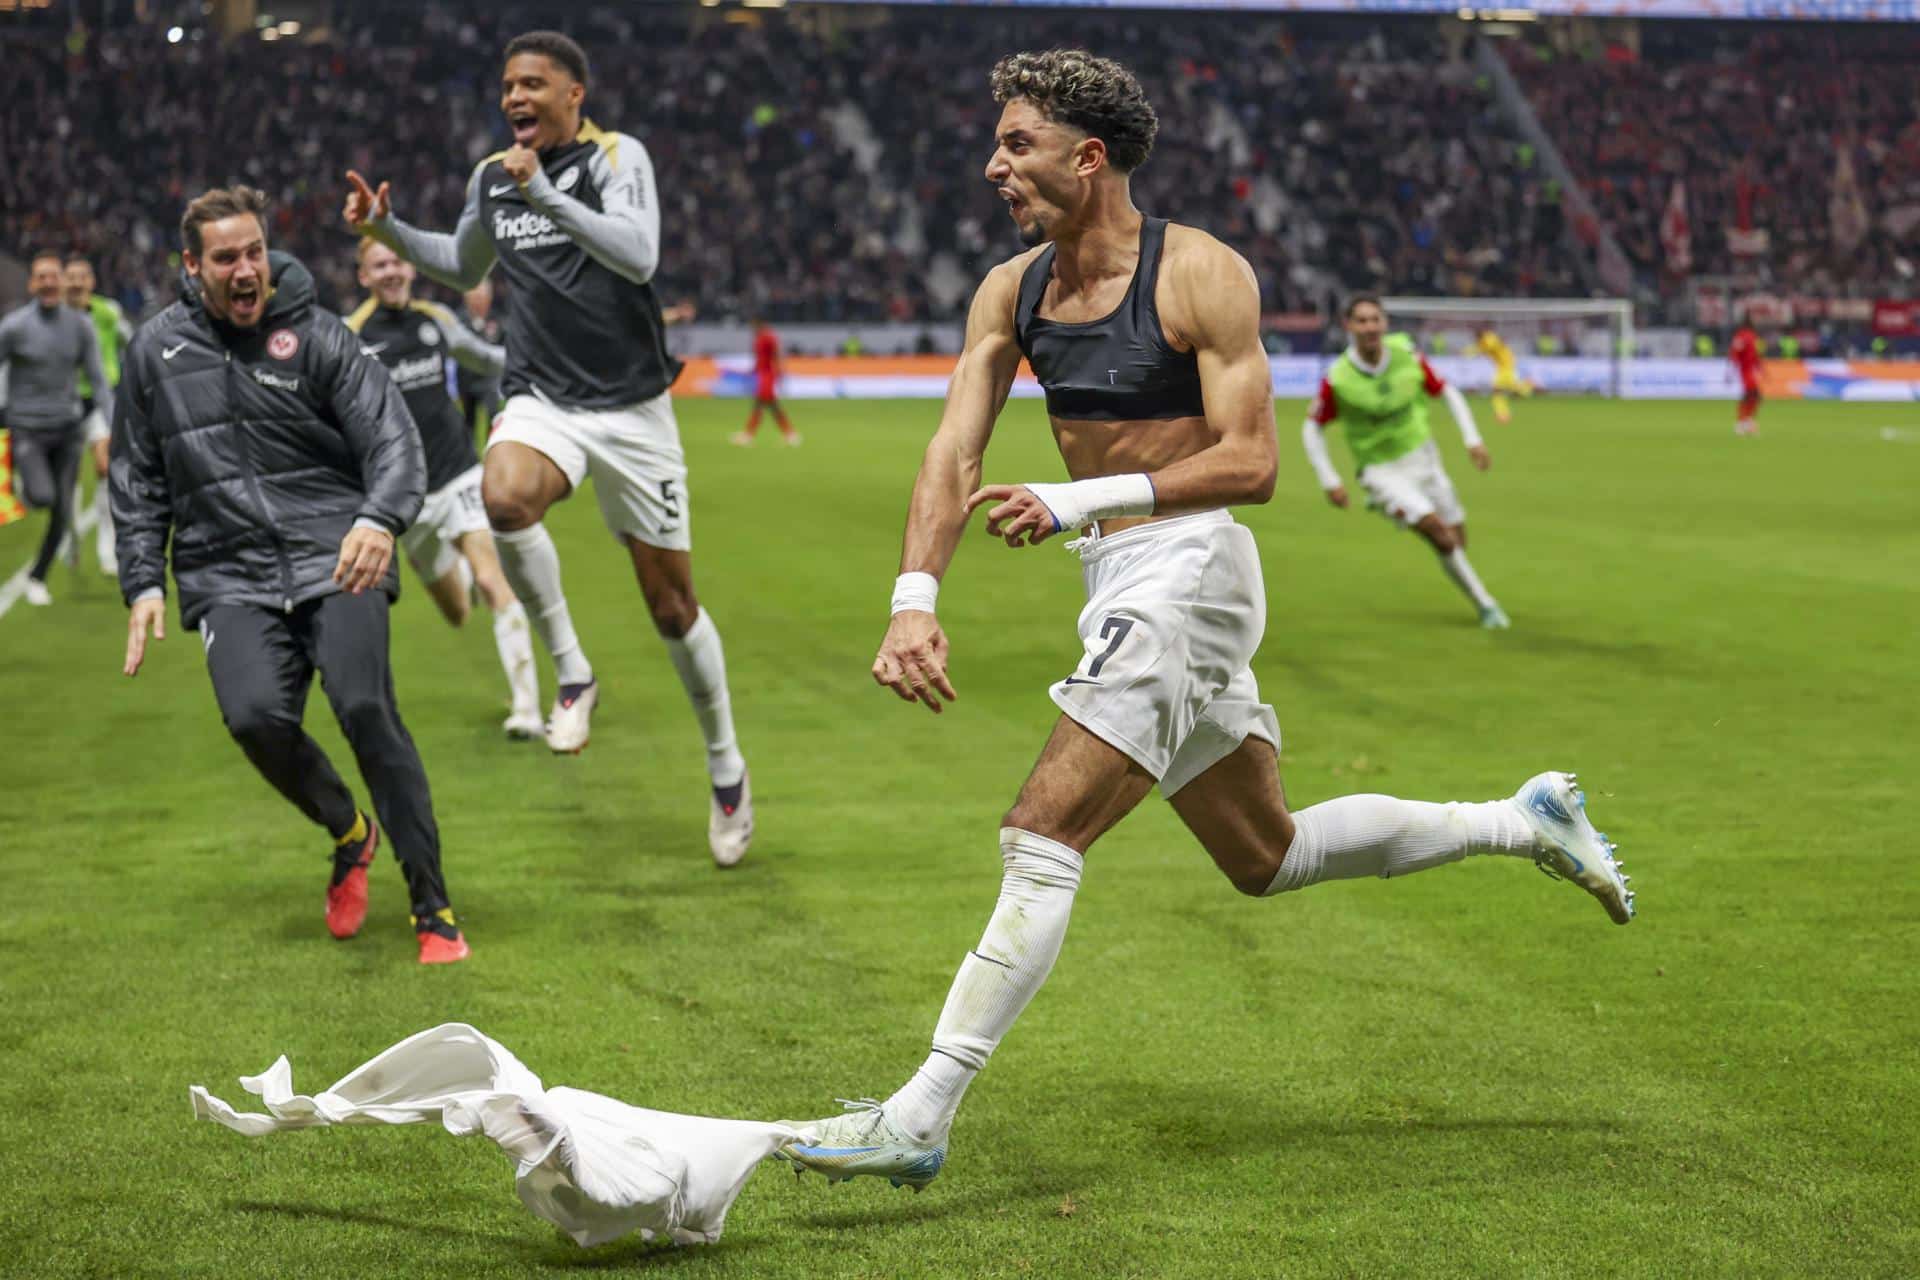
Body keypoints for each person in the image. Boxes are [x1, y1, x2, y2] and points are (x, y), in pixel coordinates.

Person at [776, 50, 1632, 1192]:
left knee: (1043, 831)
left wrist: (1077, 496)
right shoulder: (1009, 289)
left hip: (1191, 567)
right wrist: (914, 599)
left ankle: (920, 1111)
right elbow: (953, 451)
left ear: (1090, 157)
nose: (994, 165)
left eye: (1016, 144)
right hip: (1118, 572)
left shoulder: (1201, 274)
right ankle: (1524, 821)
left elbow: (1254, 461)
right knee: (1265, 853)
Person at [346, 29, 753, 867]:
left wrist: (551, 200)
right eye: (506, 87)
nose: (514, 99)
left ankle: (725, 767)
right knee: (502, 499)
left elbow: (640, 258)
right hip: (542, 398)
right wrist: (388, 227)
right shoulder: (493, 177)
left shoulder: (615, 158)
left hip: (635, 410)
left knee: (672, 608)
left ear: (575, 93)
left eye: (532, 84)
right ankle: (573, 674)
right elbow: (461, 267)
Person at [113, 186, 468, 964]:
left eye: (254, 252)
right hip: (226, 571)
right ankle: (349, 832)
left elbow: (393, 440)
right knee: (251, 720)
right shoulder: (154, 353)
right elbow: (137, 476)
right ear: (191, 266)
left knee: (365, 705)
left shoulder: (321, 336)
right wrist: (142, 582)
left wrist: (379, 518)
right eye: (226, 258)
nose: (247, 270)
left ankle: (432, 904)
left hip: (337, 552)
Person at [345, 238, 542, 739]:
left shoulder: (436, 320)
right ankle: (461, 569)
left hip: (458, 473)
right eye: (379, 265)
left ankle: (527, 709)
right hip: (403, 497)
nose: (391, 271)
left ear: (411, 269)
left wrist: (540, 366)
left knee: (495, 579)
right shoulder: (352, 338)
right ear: (364, 276)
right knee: (457, 611)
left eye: (397, 262)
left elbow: (485, 358)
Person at [1303, 297, 1510, 630]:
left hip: (1425, 460)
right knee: (1439, 535)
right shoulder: (1338, 378)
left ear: (1385, 323)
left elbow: (1447, 392)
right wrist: (1329, 479)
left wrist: (1472, 440)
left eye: (1375, 319)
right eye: (1362, 321)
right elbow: (1312, 426)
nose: (1370, 327)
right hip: (1380, 471)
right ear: (1349, 326)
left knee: (1456, 540)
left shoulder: (1407, 356)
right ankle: (1486, 605)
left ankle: (1421, 526)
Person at [0, 250, 108, 605]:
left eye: (53, 276)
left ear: (61, 282)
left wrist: (113, 420)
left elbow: (98, 379)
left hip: (68, 428)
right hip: (27, 427)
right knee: (42, 496)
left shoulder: (81, 327)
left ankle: (38, 576)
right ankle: (24, 483)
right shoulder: (14, 327)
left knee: (63, 510)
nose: (48, 282)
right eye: (41, 276)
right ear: (32, 283)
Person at [65, 255, 134, 575]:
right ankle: (70, 536)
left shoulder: (108, 312)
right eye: (72, 277)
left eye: (83, 277)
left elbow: (132, 343)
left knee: (106, 469)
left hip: (100, 401)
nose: (77, 282)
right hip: (62, 405)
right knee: (66, 478)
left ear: (91, 282)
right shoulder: (55, 317)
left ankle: (107, 546)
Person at [730, 317, 799, 446]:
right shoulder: (759, 337)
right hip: (763, 374)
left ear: (759, 324)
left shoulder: (768, 337)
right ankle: (790, 434)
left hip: (769, 374)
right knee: (770, 405)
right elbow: (760, 358)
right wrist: (754, 370)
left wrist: (780, 370)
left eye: (752, 326)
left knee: (761, 404)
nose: (751, 329)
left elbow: (776, 354)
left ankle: (748, 435)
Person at [457, 278, 505, 443]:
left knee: (494, 416)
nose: (479, 299)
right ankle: (469, 453)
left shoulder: (497, 319)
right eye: (475, 296)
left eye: (482, 295)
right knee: (468, 421)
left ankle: (493, 447)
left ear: (489, 297)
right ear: (467, 298)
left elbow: (504, 345)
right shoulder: (458, 321)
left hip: (489, 381)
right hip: (466, 380)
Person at [1474, 324, 1534, 426]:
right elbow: (1484, 349)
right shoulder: (1483, 341)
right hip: (1504, 366)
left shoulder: (1489, 338)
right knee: (1505, 390)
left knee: (1497, 391)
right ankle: (1524, 388)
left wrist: (1479, 350)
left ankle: (1504, 413)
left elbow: (1491, 346)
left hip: (1505, 366)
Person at [1730, 323, 1763, 437]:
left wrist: (1731, 370)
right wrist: (1759, 367)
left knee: (1754, 396)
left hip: (1747, 370)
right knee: (1752, 395)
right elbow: (1754, 354)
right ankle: (1742, 423)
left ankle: (1746, 421)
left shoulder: (1741, 336)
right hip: (1746, 370)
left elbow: (1735, 353)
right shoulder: (1750, 336)